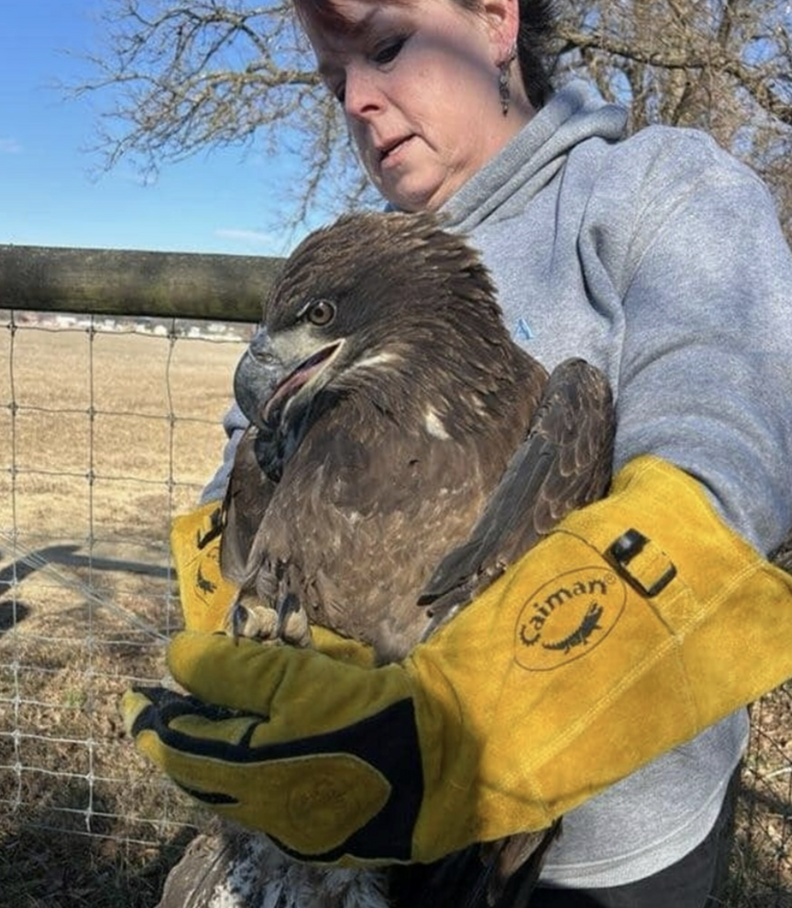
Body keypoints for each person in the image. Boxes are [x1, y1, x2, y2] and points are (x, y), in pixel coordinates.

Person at [122, 1, 792, 905]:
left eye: (388, 47)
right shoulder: (351, 263)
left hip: (603, 858)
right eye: (334, 81)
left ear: (494, 20)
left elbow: (728, 469)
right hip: (346, 833)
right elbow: (241, 473)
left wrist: (462, 734)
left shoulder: (662, 189)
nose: (358, 99)